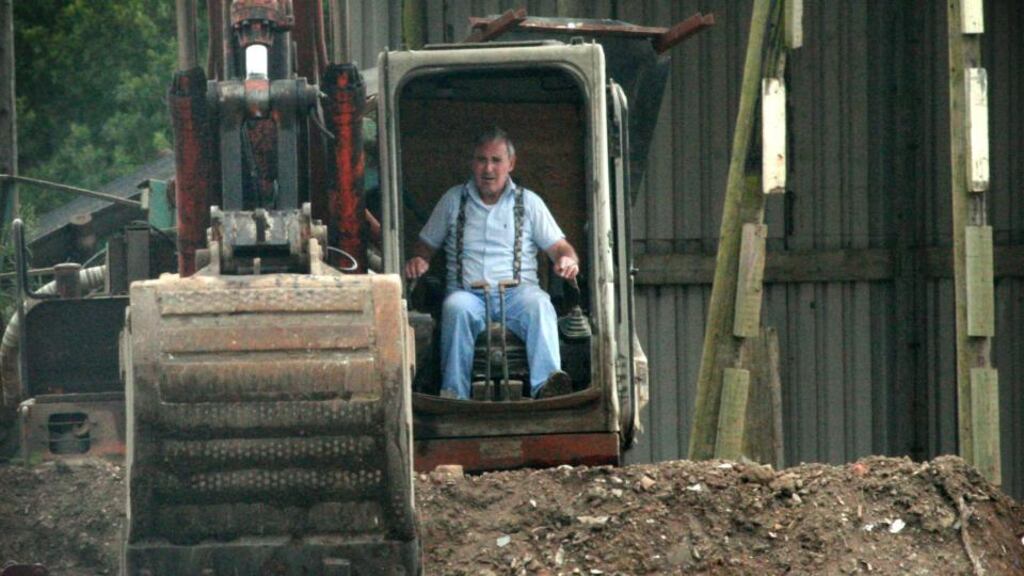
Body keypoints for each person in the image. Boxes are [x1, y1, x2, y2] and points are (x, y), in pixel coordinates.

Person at [404, 127, 580, 400]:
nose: (488, 168)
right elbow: (424, 245)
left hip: (518, 294)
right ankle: (454, 394)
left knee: (540, 305)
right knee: (454, 308)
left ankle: (547, 387)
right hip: (468, 294)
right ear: (472, 163)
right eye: (481, 160)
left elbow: (560, 247)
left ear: (511, 164)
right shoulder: (453, 200)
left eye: (496, 160)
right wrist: (419, 259)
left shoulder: (529, 203)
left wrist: (567, 259)